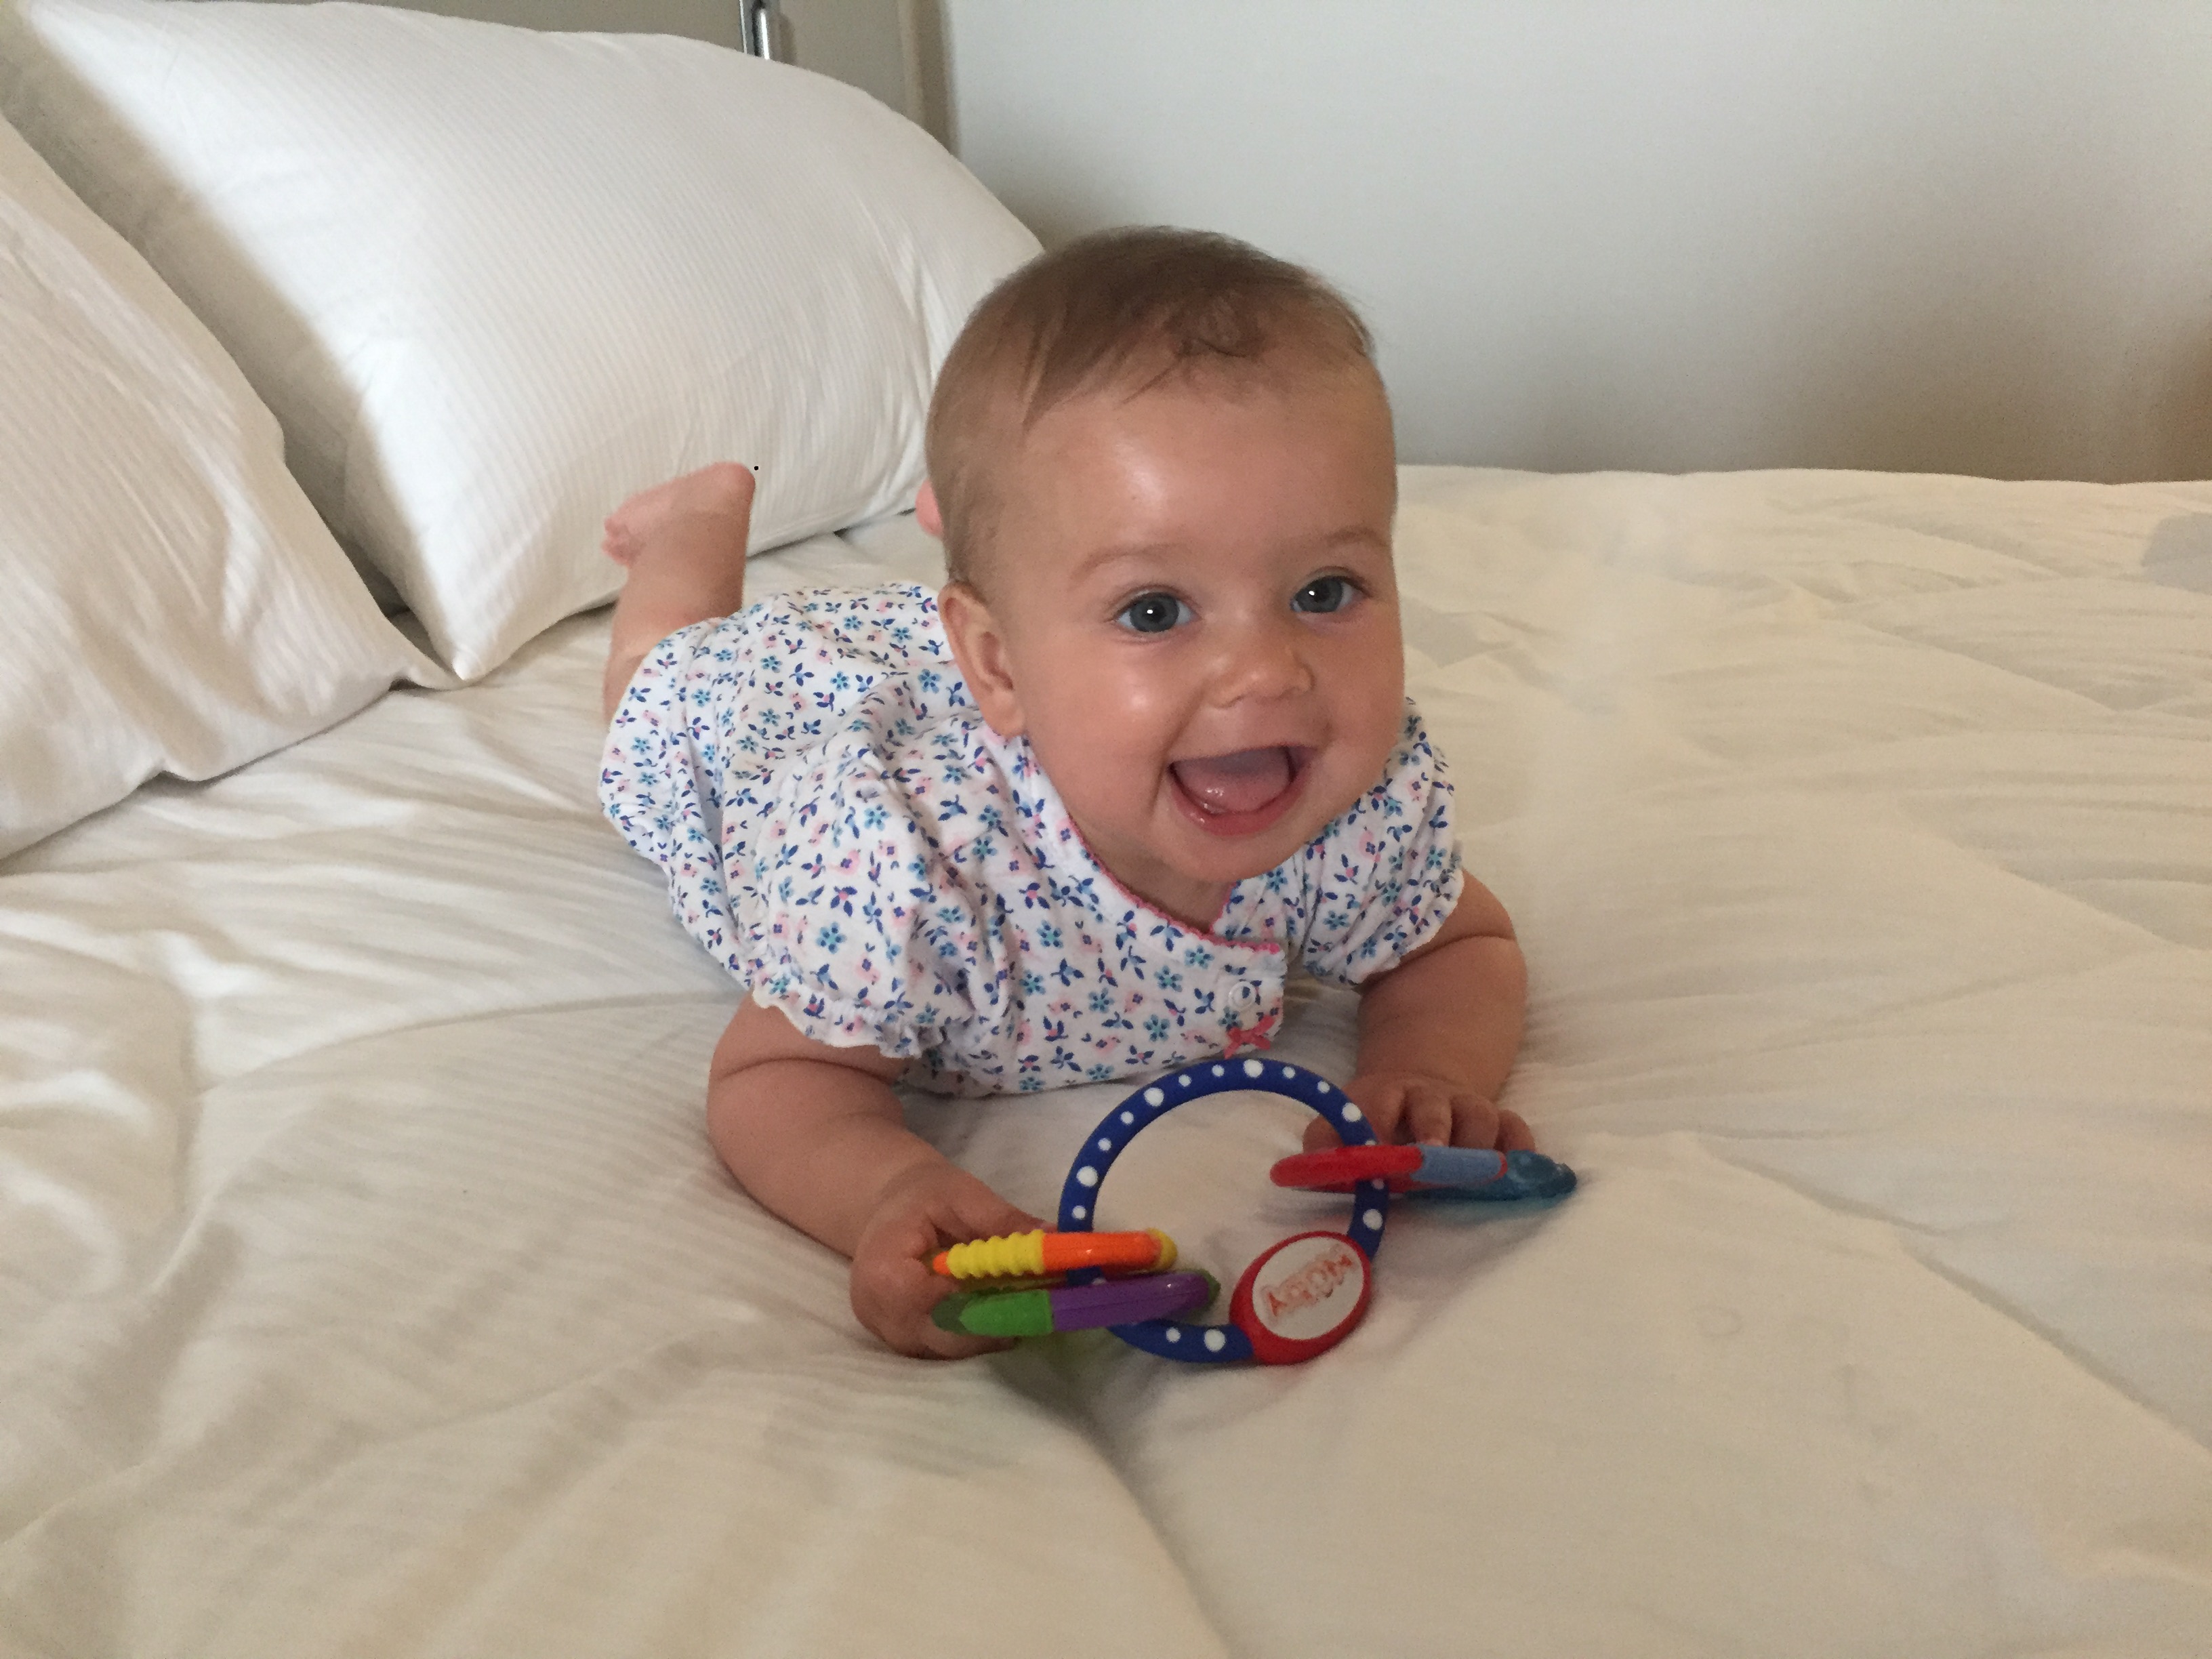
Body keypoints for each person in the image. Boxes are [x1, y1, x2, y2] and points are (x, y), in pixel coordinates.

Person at [598, 228, 1530, 1358]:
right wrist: (888, 1189)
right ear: (997, 666)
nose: (1266, 674)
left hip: (987, 671)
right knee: (655, 675)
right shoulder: (910, 871)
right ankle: (695, 524)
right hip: (783, 723)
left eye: (1325, 591)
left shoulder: (1356, 806)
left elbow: (1460, 944)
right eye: (1155, 611)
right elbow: (774, 1074)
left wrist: (1426, 1071)